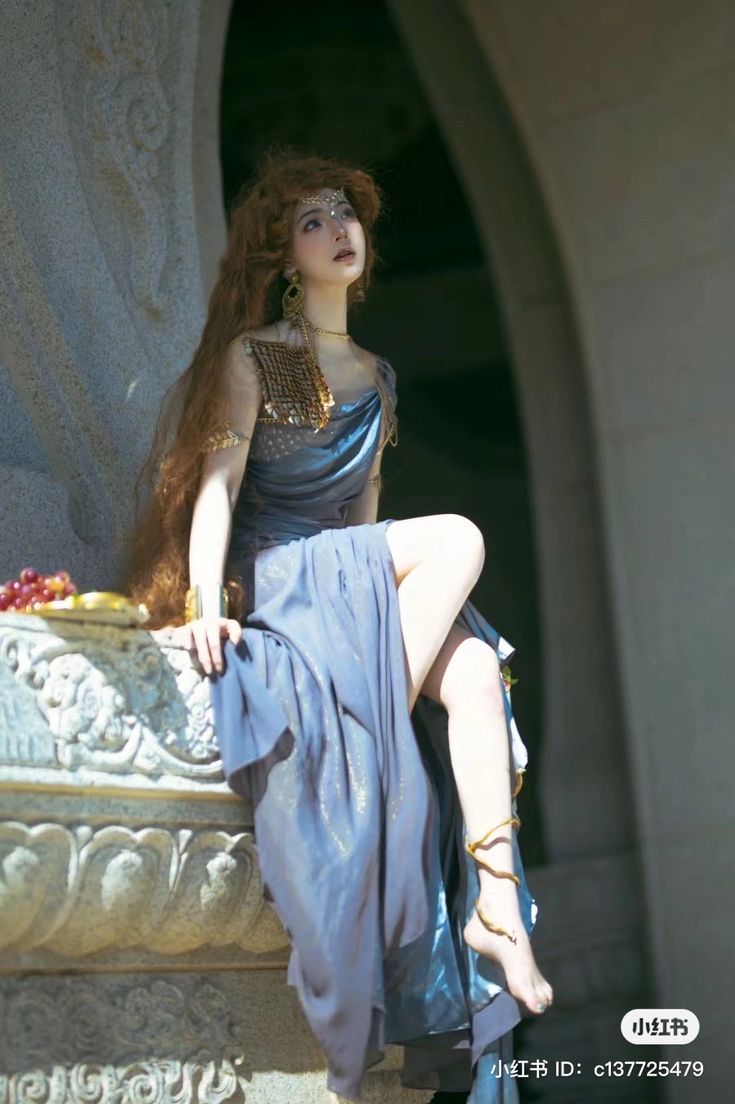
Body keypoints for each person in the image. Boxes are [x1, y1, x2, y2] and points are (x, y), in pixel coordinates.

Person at [125, 149, 553, 1104]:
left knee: (478, 673)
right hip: (283, 576)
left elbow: (365, 520)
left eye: (345, 215)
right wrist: (204, 607)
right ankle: (374, 725)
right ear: (284, 252)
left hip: (352, 578)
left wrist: (380, 607)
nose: (338, 230)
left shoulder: (377, 373)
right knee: (459, 538)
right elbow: (219, 490)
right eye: (314, 220)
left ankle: (493, 911)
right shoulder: (262, 355)